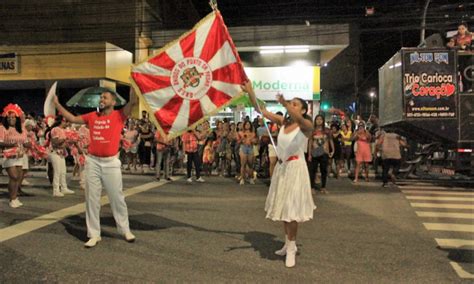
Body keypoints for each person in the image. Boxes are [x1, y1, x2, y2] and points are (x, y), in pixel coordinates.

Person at [244, 81, 316, 268]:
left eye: (295, 104)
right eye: (290, 103)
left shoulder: (306, 125)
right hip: (283, 169)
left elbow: (300, 121)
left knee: (292, 210)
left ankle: (291, 248)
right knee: (285, 208)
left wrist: (285, 104)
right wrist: (251, 91)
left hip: (296, 169)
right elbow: (260, 109)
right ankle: (287, 243)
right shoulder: (284, 122)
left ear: (303, 110)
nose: (291, 106)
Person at [53, 90, 137, 248]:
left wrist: (133, 83)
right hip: (93, 162)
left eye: (105, 97)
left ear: (113, 102)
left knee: (117, 198)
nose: (101, 99)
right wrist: (57, 104)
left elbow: (133, 102)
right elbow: (72, 118)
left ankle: (125, 229)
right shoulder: (92, 116)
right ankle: (93, 234)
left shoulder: (119, 115)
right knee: (92, 199)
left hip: (111, 163)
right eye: (100, 97)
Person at [0, 104, 29, 208]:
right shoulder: (2, 128)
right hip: (8, 156)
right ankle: (11, 199)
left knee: (18, 178)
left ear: (17, 118)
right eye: (9, 117)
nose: (11, 119)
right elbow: (0, 143)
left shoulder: (21, 129)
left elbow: (25, 142)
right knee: (14, 176)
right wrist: (12, 144)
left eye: (13, 117)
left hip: (20, 156)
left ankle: (15, 197)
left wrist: (31, 145)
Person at [48, 115, 74, 197]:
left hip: (61, 152)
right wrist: (65, 139)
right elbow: (55, 142)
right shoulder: (55, 129)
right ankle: (56, 190)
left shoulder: (63, 130)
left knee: (63, 171)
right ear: (61, 121)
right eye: (65, 121)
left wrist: (69, 141)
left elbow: (64, 144)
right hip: (55, 152)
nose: (66, 123)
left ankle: (64, 187)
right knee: (57, 171)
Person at [308, 115, 334, 194]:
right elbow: (310, 142)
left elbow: (330, 140)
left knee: (324, 171)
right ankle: (312, 187)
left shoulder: (327, 130)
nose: (319, 121)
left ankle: (323, 187)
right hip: (315, 152)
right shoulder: (312, 130)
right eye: (317, 119)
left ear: (323, 121)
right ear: (315, 121)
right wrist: (309, 154)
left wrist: (332, 150)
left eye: (321, 119)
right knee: (313, 170)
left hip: (324, 152)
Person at [447, 23, 473, 92]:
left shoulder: (471, 35)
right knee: (462, 71)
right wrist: (451, 44)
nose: (461, 30)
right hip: (460, 56)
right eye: (459, 29)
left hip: (469, 56)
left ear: (466, 29)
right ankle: (465, 88)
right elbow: (450, 43)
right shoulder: (456, 37)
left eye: (462, 28)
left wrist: (467, 47)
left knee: (468, 71)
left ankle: (470, 87)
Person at [237, 120, 257, 185]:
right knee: (243, 164)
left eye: (249, 124)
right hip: (243, 147)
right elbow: (238, 142)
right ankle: (242, 178)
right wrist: (242, 139)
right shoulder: (240, 132)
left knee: (250, 164)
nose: (247, 126)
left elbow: (256, 141)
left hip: (250, 148)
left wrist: (253, 140)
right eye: (246, 124)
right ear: (244, 125)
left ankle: (251, 178)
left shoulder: (253, 133)